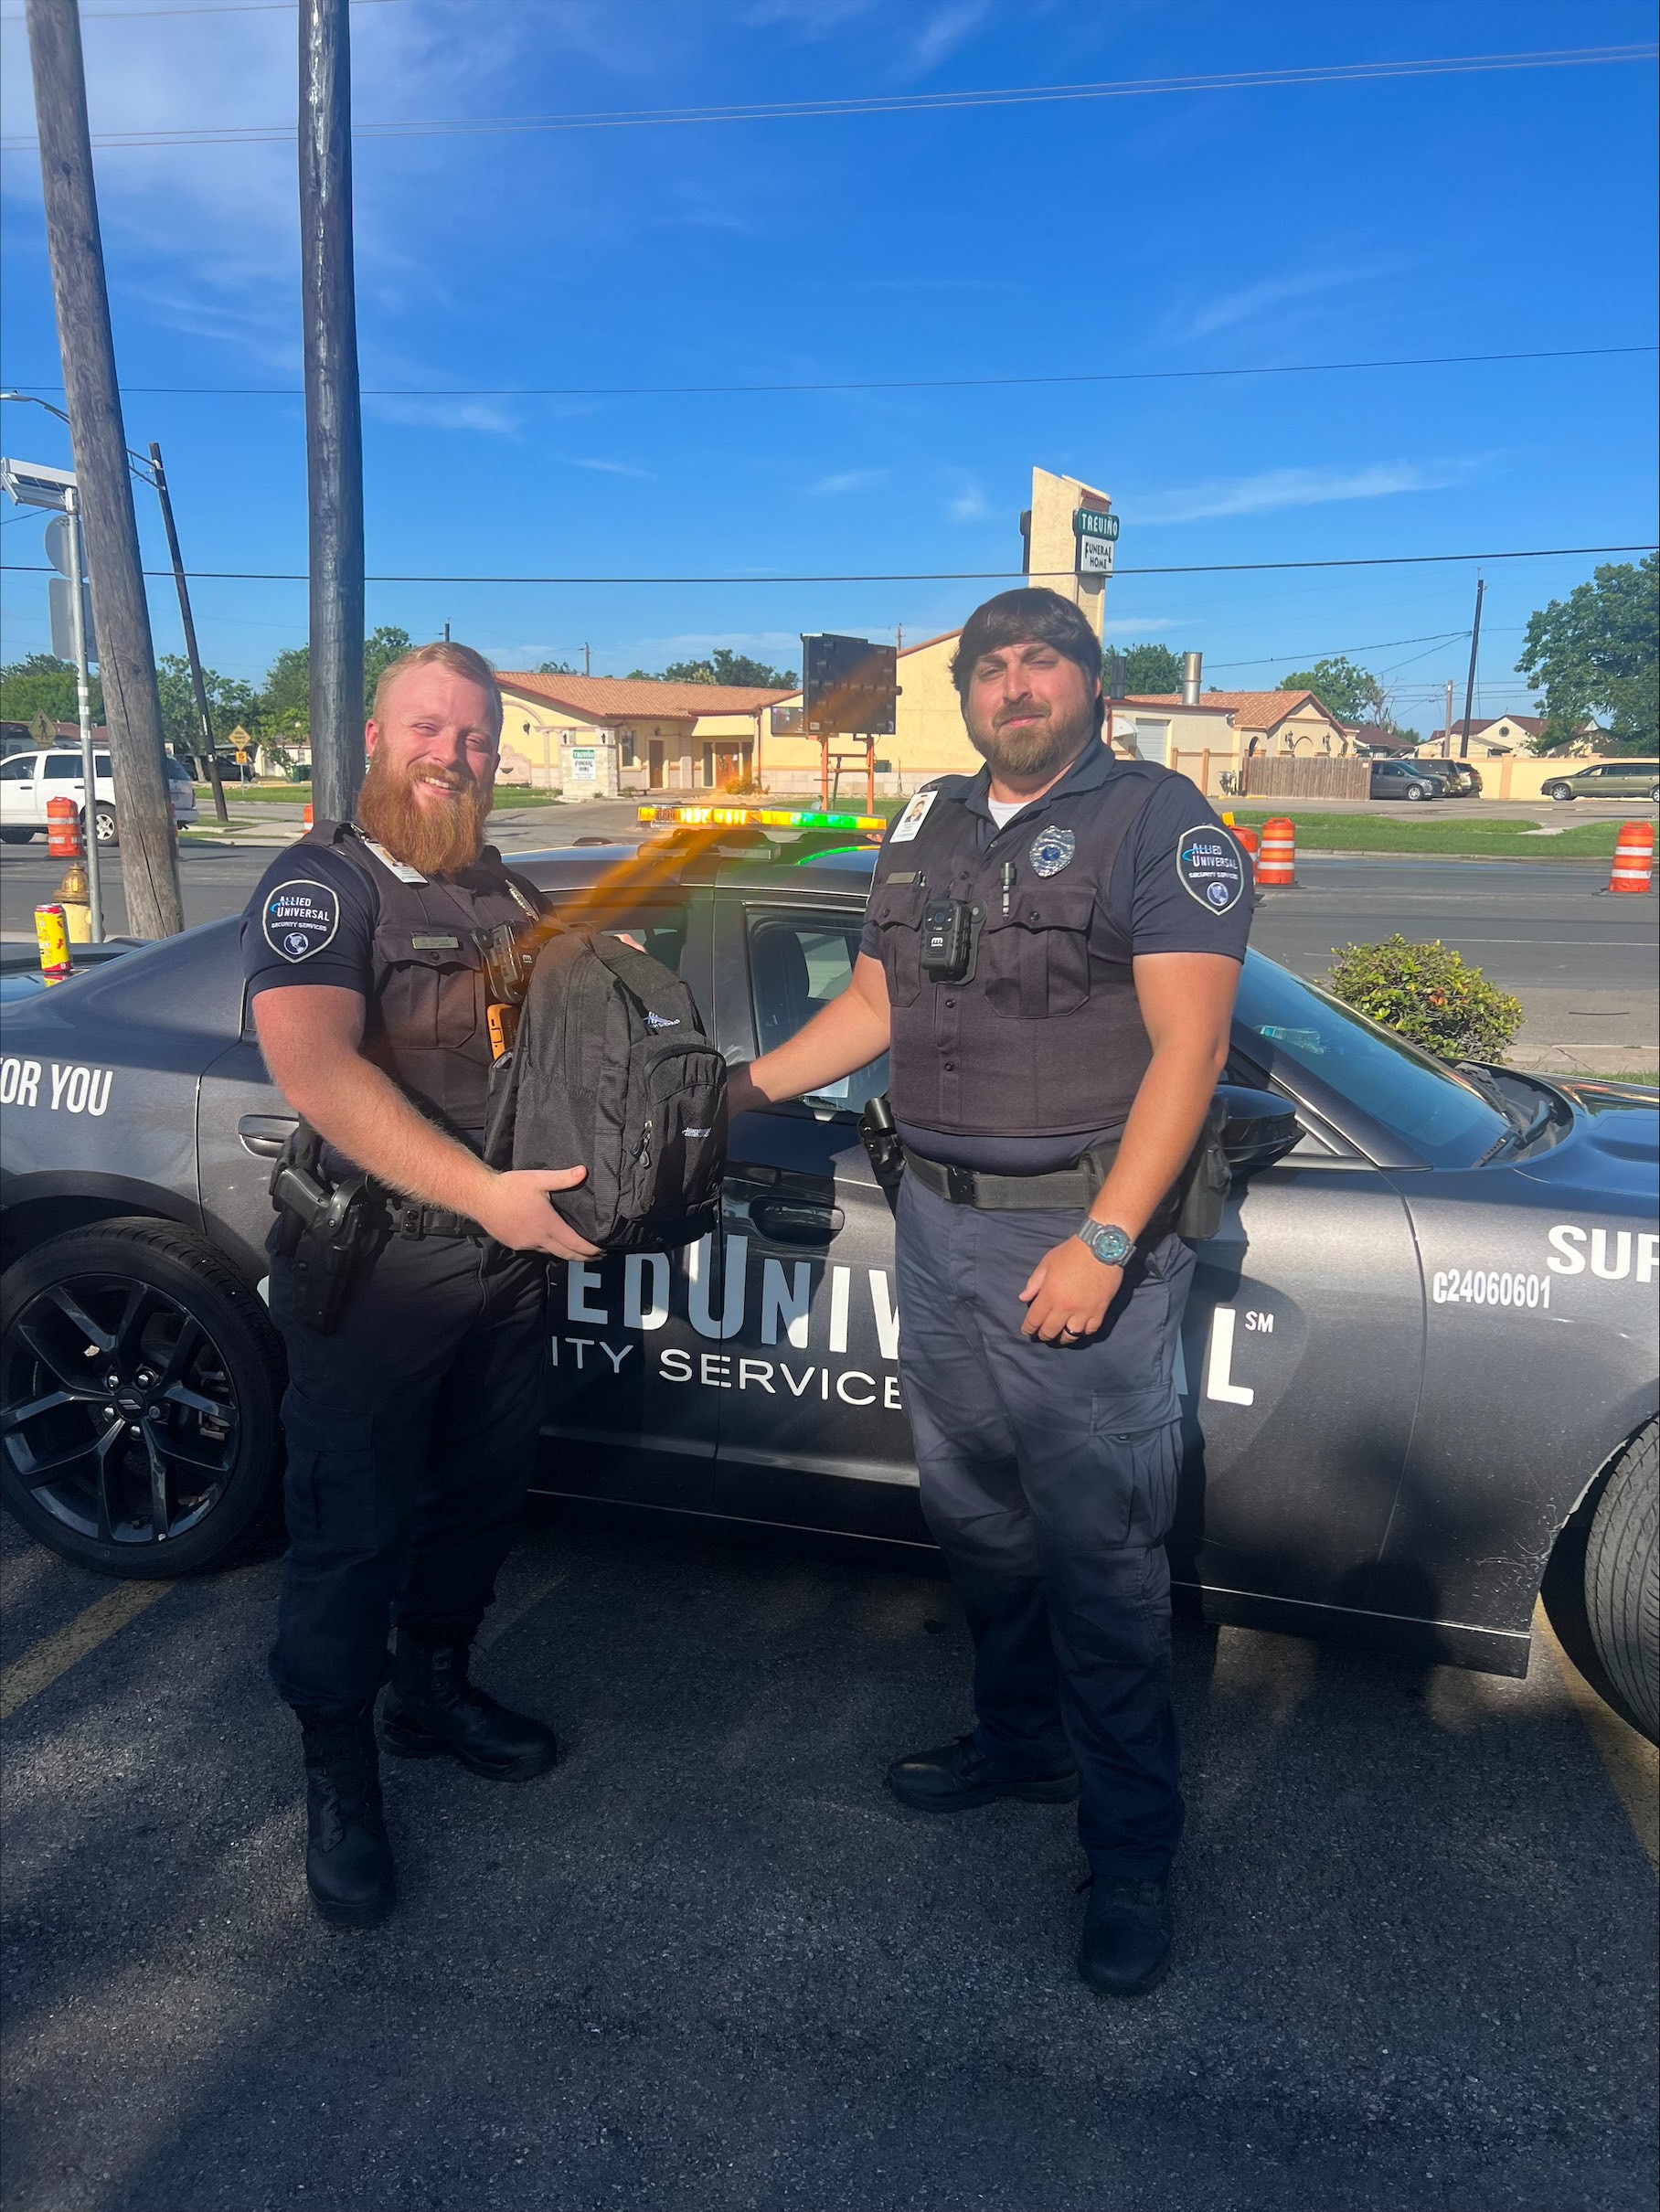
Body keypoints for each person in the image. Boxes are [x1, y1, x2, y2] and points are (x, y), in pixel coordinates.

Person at [725, 589, 1250, 1997]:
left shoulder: (1161, 824)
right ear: (965, 694)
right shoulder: (926, 821)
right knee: (977, 1522)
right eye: (993, 670)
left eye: (1044, 663)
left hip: (1072, 1236)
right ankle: (1021, 1746)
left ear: (1094, 682)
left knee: (1103, 1556)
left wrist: (1106, 1238)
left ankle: (1131, 1855)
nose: (1017, 688)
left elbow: (1189, 1052)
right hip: (938, 1231)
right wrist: (736, 1092)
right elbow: (879, 1007)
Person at [242, 640, 599, 1930]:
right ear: (376, 742)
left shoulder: (500, 891)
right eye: (430, 731)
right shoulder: (320, 889)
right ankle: (339, 1776)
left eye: (478, 739)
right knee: (351, 1530)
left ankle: (431, 1692)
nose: (453, 755)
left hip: (502, 1267)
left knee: (476, 1500)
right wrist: (486, 1194)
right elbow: (321, 1073)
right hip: (380, 1266)